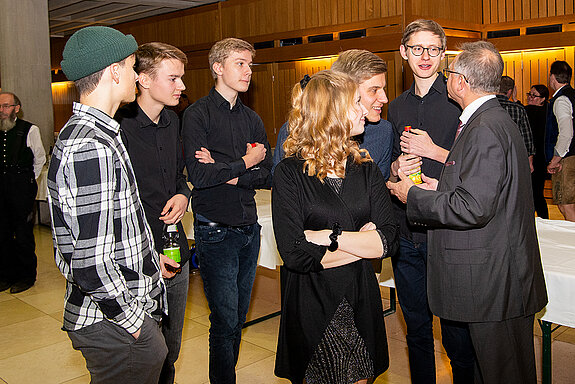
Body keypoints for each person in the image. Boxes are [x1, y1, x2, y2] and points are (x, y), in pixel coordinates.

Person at [387, 40, 548, 383]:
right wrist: (437, 188)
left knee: (503, 373)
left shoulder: (485, 128)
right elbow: (478, 191)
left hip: (494, 286)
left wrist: (413, 194)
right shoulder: (487, 121)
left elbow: (473, 207)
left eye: (449, 72)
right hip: (492, 281)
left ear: (460, 81)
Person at [47, 26, 168, 384]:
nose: (136, 76)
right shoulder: (92, 145)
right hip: (111, 323)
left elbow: (103, 229)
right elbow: (90, 262)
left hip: (113, 314)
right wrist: (134, 323)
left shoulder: (96, 134)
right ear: (114, 71)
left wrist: (145, 257)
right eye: (132, 67)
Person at [272, 69, 398, 384]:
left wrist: (329, 237)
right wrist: (364, 244)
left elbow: (389, 240)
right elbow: (295, 253)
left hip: (360, 298)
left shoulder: (366, 169)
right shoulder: (289, 173)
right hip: (313, 302)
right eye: (355, 102)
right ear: (332, 112)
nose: (362, 109)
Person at [182, 37, 272, 384]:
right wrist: (246, 162)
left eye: (250, 64)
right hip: (215, 230)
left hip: (249, 228)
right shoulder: (197, 115)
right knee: (224, 320)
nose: (248, 71)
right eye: (240, 63)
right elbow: (200, 176)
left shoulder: (251, 118)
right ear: (217, 68)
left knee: (236, 318)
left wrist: (231, 172)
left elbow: (269, 177)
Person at [386, 19, 469, 384]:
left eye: (433, 49)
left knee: (456, 336)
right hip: (407, 233)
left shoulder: (458, 102)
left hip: (445, 234)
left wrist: (433, 150)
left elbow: (477, 165)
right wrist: (395, 165)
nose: (425, 56)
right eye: (417, 48)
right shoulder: (395, 107)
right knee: (417, 330)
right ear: (404, 53)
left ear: (442, 53)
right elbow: (388, 166)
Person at [114, 42, 191, 384]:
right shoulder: (119, 128)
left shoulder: (173, 121)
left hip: (175, 247)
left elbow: (178, 176)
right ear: (143, 80)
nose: (182, 86)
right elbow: (118, 205)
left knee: (170, 351)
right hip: (138, 259)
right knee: (143, 355)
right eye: (173, 78)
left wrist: (183, 194)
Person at [272, 49, 394, 180]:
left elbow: (380, 187)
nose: (385, 99)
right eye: (374, 90)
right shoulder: (296, 130)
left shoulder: (383, 131)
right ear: (343, 90)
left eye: (383, 89)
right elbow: (279, 186)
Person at [0, 91, 46, 294]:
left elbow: (39, 158)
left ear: (16, 108)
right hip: (2, 187)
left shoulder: (29, 129)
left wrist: (27, 182)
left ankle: (26, 276)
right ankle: (7, 275)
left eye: (6, 106)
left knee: (23, 234)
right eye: (0, 107)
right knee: (3, 234)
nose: (2, 111)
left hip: (21, 187)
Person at [546, 60, 575, 221]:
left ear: (552, 77)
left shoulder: (561, 99)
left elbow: (566, 133)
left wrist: (556, 159)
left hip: (567, 158)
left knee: (566, 204)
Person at [496, 75, 535, 172]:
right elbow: (527, 139)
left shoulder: (486, 108)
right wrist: (530, 162)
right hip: (513, 158)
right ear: (510, 91)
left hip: (491, 156)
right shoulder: (518, 109)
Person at [526, 84, 550, 218]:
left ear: (543, 99)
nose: (530, 97)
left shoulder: (531, 111)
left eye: (534, 96)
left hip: (537, 158)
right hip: (540, 158)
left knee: (536, 194)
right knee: (537, 193)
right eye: (529, 94)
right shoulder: (546, 113)